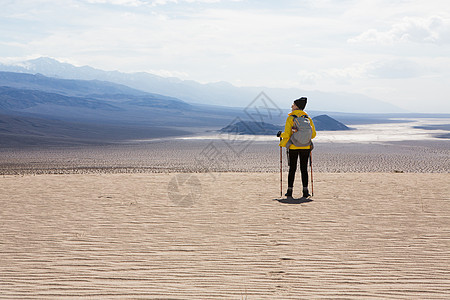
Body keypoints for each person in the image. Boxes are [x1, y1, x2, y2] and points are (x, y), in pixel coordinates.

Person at [279, 97, 316, 198]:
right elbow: (313, 135)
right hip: (306, 147)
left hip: (293, 146)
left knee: (292, 169)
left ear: (297, 106)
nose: (291, 106)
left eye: (293, 104)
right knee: (304, 169)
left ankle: (289, 191)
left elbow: (287, 134)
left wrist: (280, 135)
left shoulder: (291, 118)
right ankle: (305, 191)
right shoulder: (308, 119)